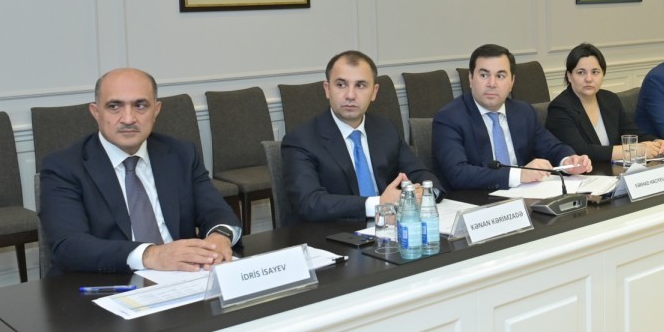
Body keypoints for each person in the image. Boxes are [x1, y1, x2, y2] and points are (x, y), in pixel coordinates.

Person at [39, 68, 241, 277]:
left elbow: (218, 212)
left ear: (156, 110)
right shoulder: (63, 166)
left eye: (140, 105)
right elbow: (68, 246)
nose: (128, 118)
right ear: (96, 112)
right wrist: (152, 255)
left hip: (184, 277)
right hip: (107, 282)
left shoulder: (181, 154)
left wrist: (219, 237)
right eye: (114, 106)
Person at [281, 51, 439, 224]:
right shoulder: (301, 140)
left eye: (360, 85)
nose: (350, 95)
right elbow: (310, 203)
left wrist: (425, 193)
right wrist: (379, 203)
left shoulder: (385, 129)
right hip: (333, 233)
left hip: (389, 228)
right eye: (341, 85)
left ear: (374, 92)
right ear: (327, 89)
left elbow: (418, 172)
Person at [432, 44, 592, 190]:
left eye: (500, 76)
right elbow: (458, 174)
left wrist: (568, 162)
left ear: (512, 82)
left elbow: (552, 147)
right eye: (484, 75)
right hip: (477, 201)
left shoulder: (523, 112)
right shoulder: (449, 118)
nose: (492, 83)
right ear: (471, 78)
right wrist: (519, 174)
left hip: (526, 196)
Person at [545, 43, 664, 164]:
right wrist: (632, 151)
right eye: (581, 72)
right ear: (569, 76)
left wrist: (657, 142)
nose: (589, 79)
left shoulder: (610, 99)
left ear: (603, 74)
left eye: (595, 72)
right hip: (583, 174)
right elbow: (580, 151)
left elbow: (632, 133)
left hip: (613, 171)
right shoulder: (560, 108)